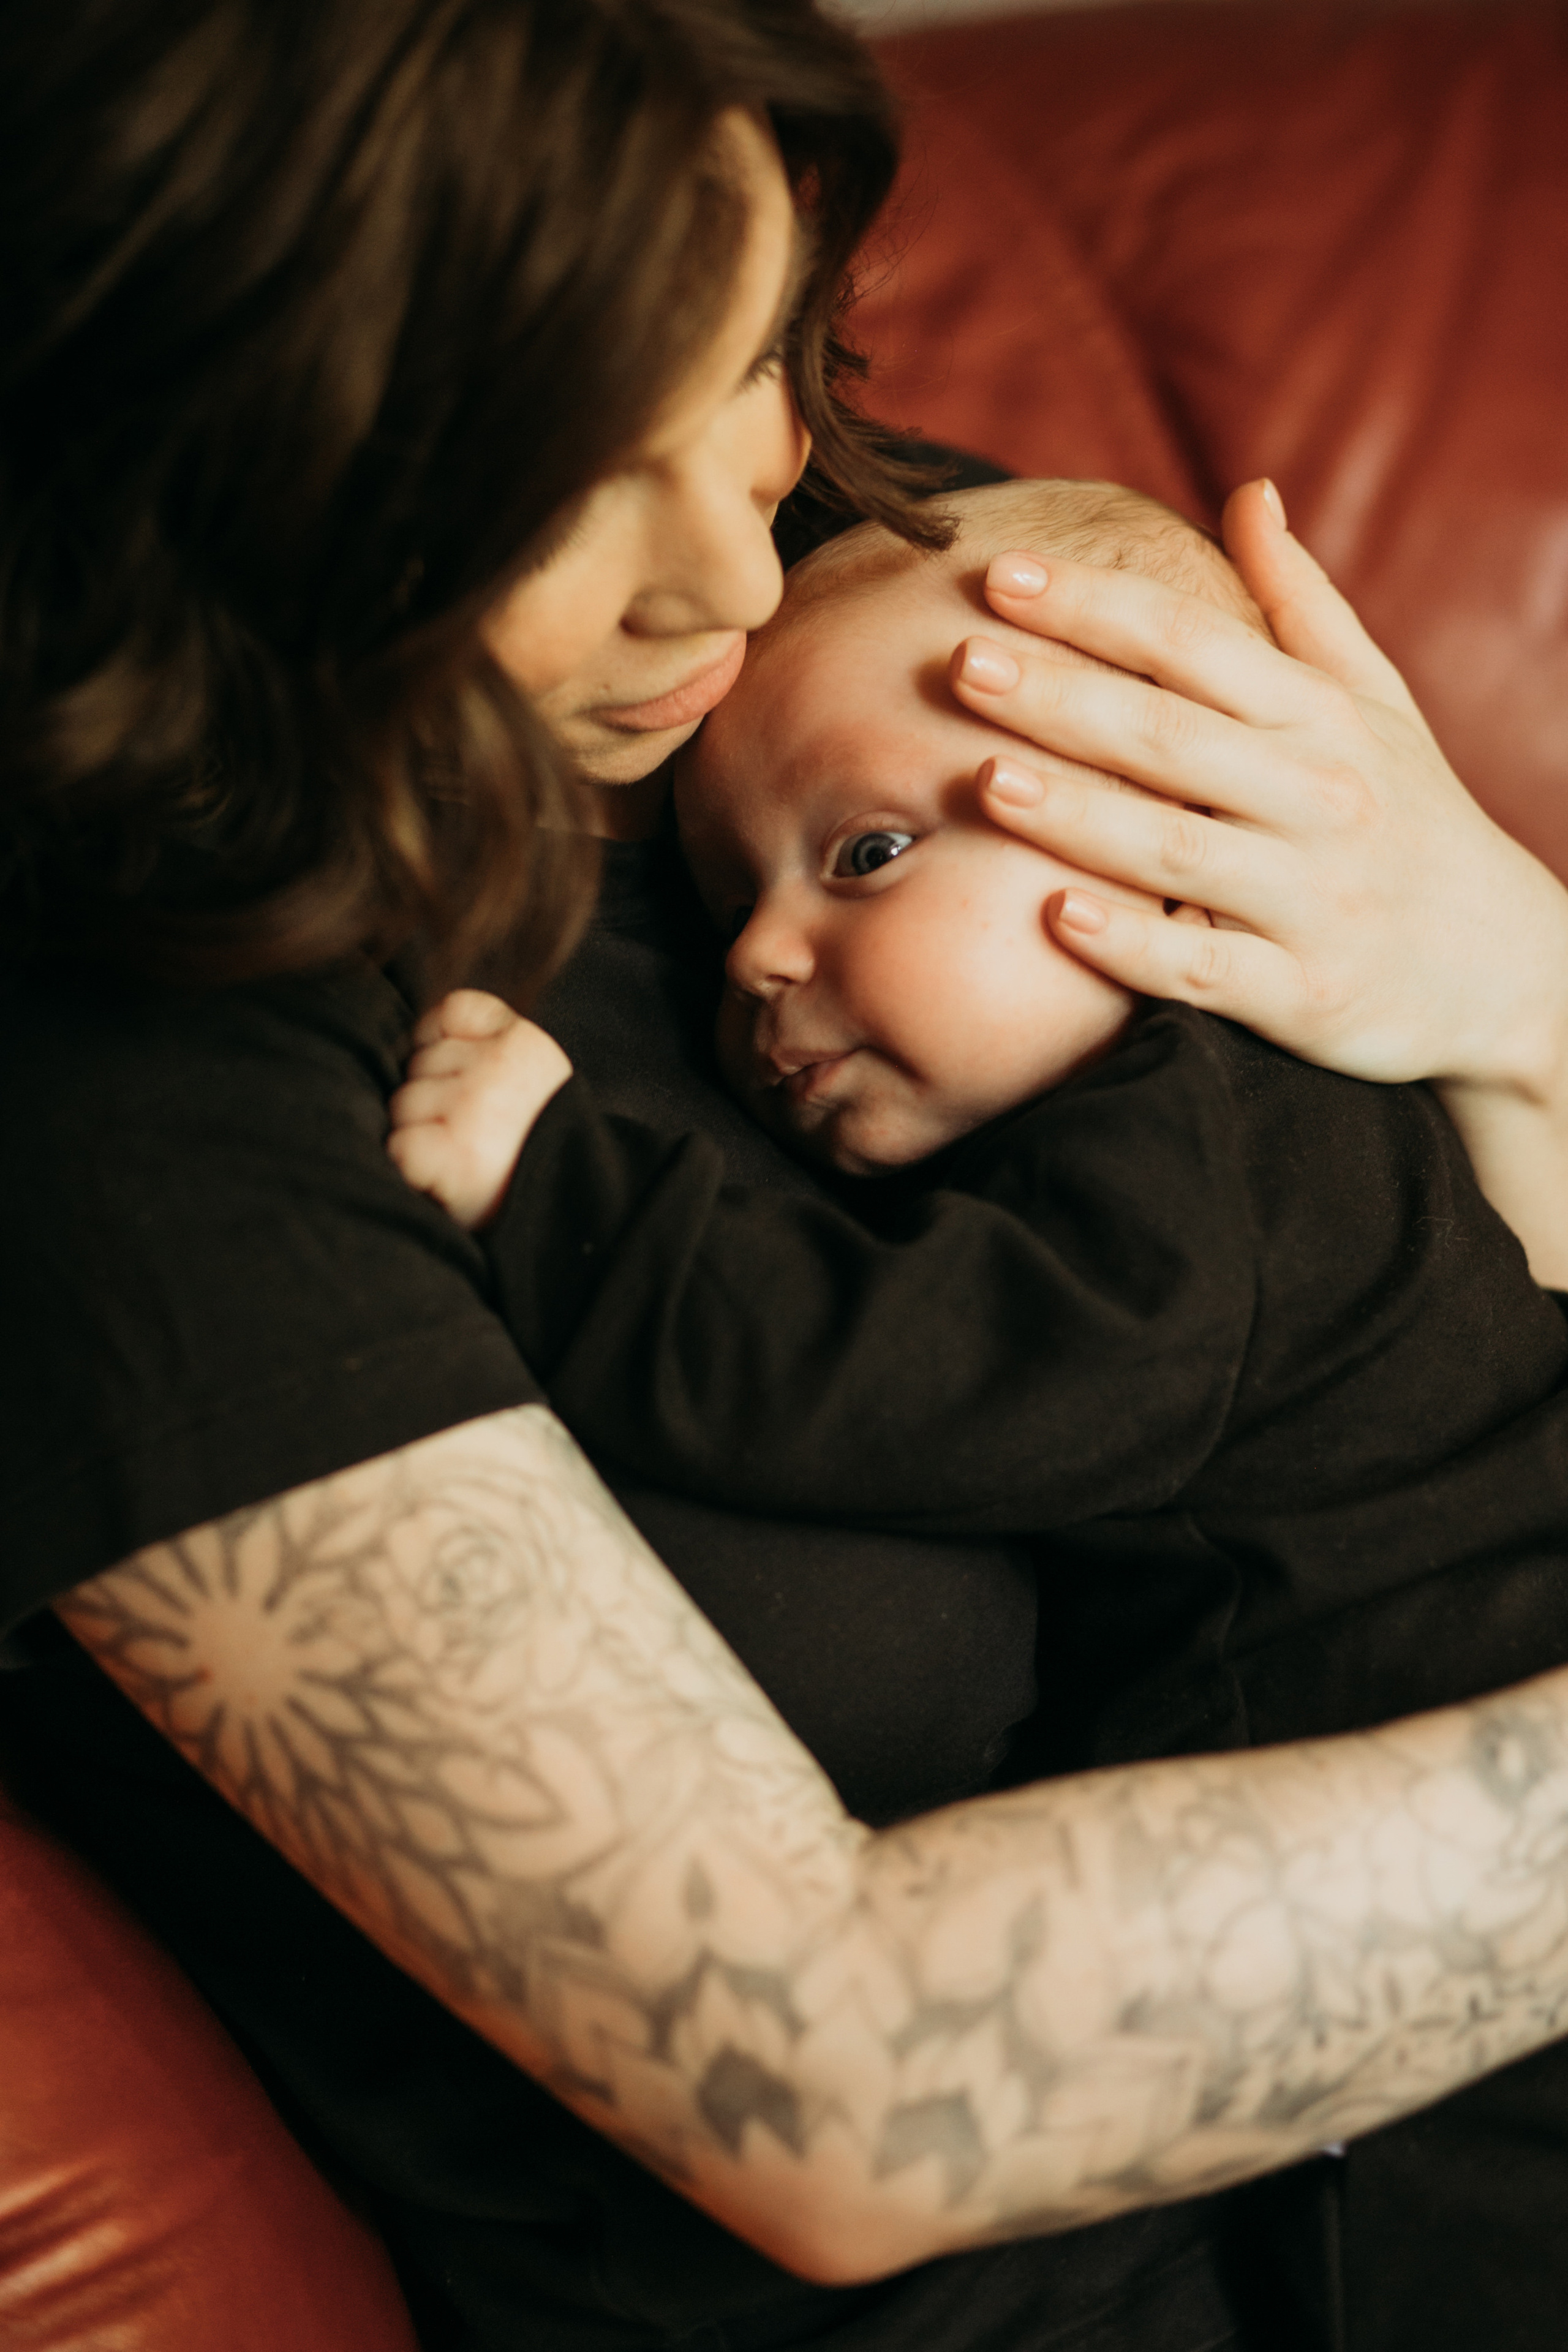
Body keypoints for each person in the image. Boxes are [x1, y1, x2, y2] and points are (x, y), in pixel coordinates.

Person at [6, 6, 1568, 2351]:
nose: (729, 577)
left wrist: (1515, 974)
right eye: (538, 477)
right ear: (201, 482)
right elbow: (830, 2093)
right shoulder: (133, 1084)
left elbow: (1422, 1319)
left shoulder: (875, 578)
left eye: (747, 357)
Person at [391, 473, 1568, 2343]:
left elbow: (886, 1384)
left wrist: (560, 1200)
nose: (758, 960)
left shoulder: (1227, 1175)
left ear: (1195, 847)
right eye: (723, 910)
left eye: (861, 859)